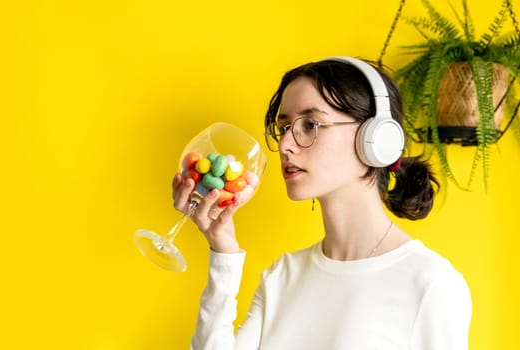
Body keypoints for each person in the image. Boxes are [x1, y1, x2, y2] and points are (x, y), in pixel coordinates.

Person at [172, 57, 472, 349]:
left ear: (376, 139)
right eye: (285, 126)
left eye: (311, 124)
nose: (286, 145)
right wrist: (223, 249)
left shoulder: (431, 284)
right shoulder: (284, 275)